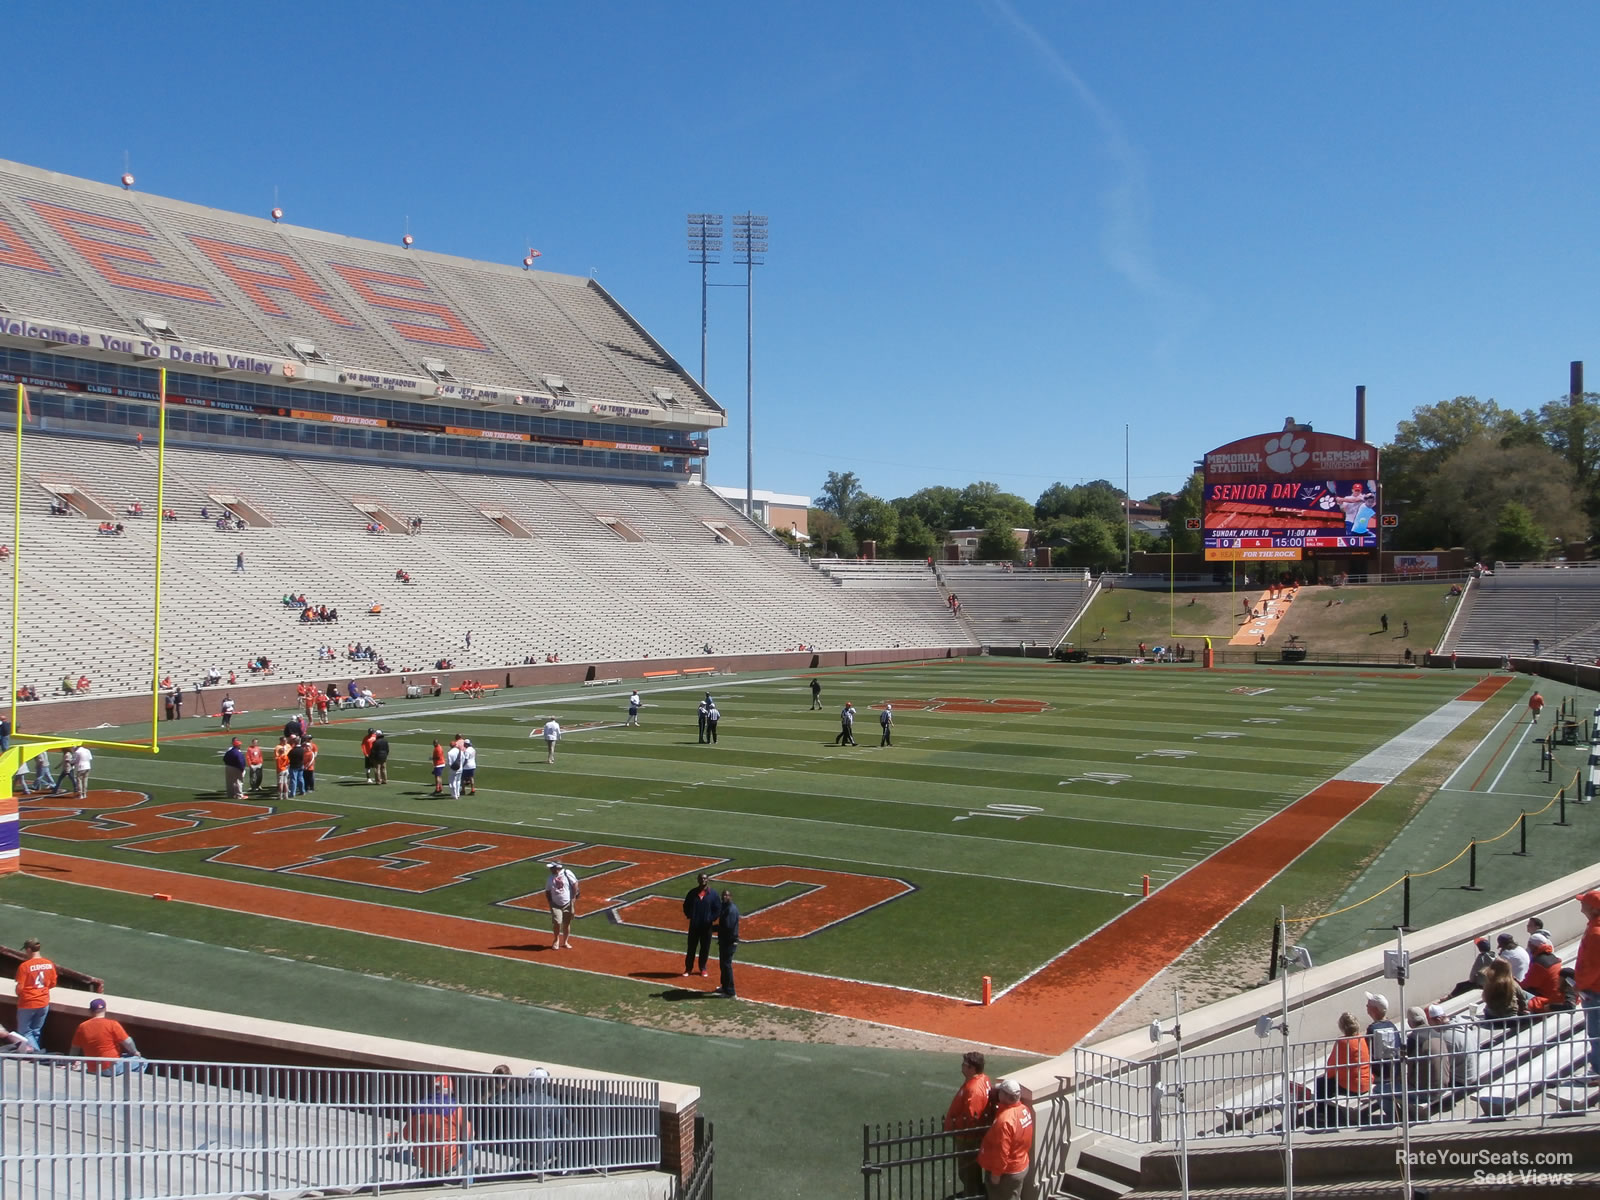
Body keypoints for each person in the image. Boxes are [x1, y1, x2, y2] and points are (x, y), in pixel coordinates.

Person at [399, 1076, 473, 1178]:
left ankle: (428, 1173)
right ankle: (467, 1180)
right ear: (451, 1089)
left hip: (424, 1163)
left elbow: (406, 1136)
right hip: (448, 1164)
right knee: (469, 1139)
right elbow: (468, 1133)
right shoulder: (455, 1108)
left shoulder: (417, 1108)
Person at [1308, 1012, 1371, 1127]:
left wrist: (1329, 1077)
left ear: (1342, 1027)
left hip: (1353, 1086)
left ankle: (1323, 1114)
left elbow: (1331, 1066)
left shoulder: (1342, 1043)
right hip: (1366, 1082)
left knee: (1321, 1082)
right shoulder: (1361, 1039)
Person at [943, 1051, 992, 1198]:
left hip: (968, 1137)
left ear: (972, 1068)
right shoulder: (982, 1080)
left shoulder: (974, 1089)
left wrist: (953, 1124)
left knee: (967, 1173)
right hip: (971, 1136)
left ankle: (972, 1195)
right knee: (971, 1171)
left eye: (964, 1065)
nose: (962, 1067)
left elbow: (971, 1117)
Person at [977, 1078, 1033, 1199]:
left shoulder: (1005, 1120)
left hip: (1007, 1173)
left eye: (1000, 1092)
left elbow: (1002, 1151)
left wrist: (996, 1174)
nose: (998, 1094)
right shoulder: (1024, 1110)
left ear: (1006, 1096)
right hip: (1020, 1165)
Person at [70, 997, 145, 1074]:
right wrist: (135, 1052)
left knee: (126, 1056)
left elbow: (75, 1048)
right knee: (143, 1062)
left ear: (90, 1011)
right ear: (105, 1009)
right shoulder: (112, 1024)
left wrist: (71, 1062)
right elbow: (128, 1042)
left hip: (92, 1069)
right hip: (111, 1067)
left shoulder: (82, 1026)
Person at [1364, 992, 1401, 1124]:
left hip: (1380, 1075)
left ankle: (1394, 1117)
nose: (1366, 1006)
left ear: (1374, 1009)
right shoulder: (1392, 1026)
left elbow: (1366, 1054)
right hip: (1395, 1072)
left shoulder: (1372, 1029)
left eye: (1368, 1004)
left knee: (1378, 1091)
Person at [14, 938, 56, 1050]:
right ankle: (33, 1058)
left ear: (28, 949)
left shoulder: (25, 966)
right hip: (43, 1003)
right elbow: (52, 983)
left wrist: (19, 993)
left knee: (24, 1032)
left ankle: (37, 1055)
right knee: (36, 1031)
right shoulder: (49, 964)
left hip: (28, 1003)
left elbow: (20, 988)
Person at [681, 874, 721, 978]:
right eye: (701, 878)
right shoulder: (692, 893)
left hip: (707, 927)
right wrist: (690, 915)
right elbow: (686, 906)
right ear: (698, 880)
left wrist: (710, 919)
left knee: (705, 948)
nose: (703, 880)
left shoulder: (713, 894)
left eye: (704, 878)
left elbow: (717, 909)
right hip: (694, 925)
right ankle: (688, 969)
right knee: (691, 948)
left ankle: (703, 968)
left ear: (707, 880)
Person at [1479, 958, 1528, 1024]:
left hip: (1491, 1018)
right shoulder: (1512, 984)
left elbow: (1485, 998)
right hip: (1509, 1020)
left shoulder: (1489, 982)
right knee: (1529, 997)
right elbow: (1522, 999)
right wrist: (1522, 1010)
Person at [545, 860, 578, 950]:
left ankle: (566, 941)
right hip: (555, 904)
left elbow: (575, 884)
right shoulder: (550, 878)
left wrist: (573, 897)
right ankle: (556, 940)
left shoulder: (567, 873)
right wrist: (550, 902)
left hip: (567, 903)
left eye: (552, 868)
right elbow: (547, 891)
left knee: (567, 923)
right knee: (557, 922)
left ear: (557, 868)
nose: (550, 869)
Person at [715, 889, 740, 998]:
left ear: (731, 896)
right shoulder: (725, 907)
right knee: (723, 964)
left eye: (726, 895)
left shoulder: (731, 909)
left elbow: (727, 927)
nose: (724, 897)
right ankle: (725, 987)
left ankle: (730, 991)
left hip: (729, 941)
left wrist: (712, 928)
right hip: (724, 940)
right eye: (723, 895)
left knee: (726, 965)